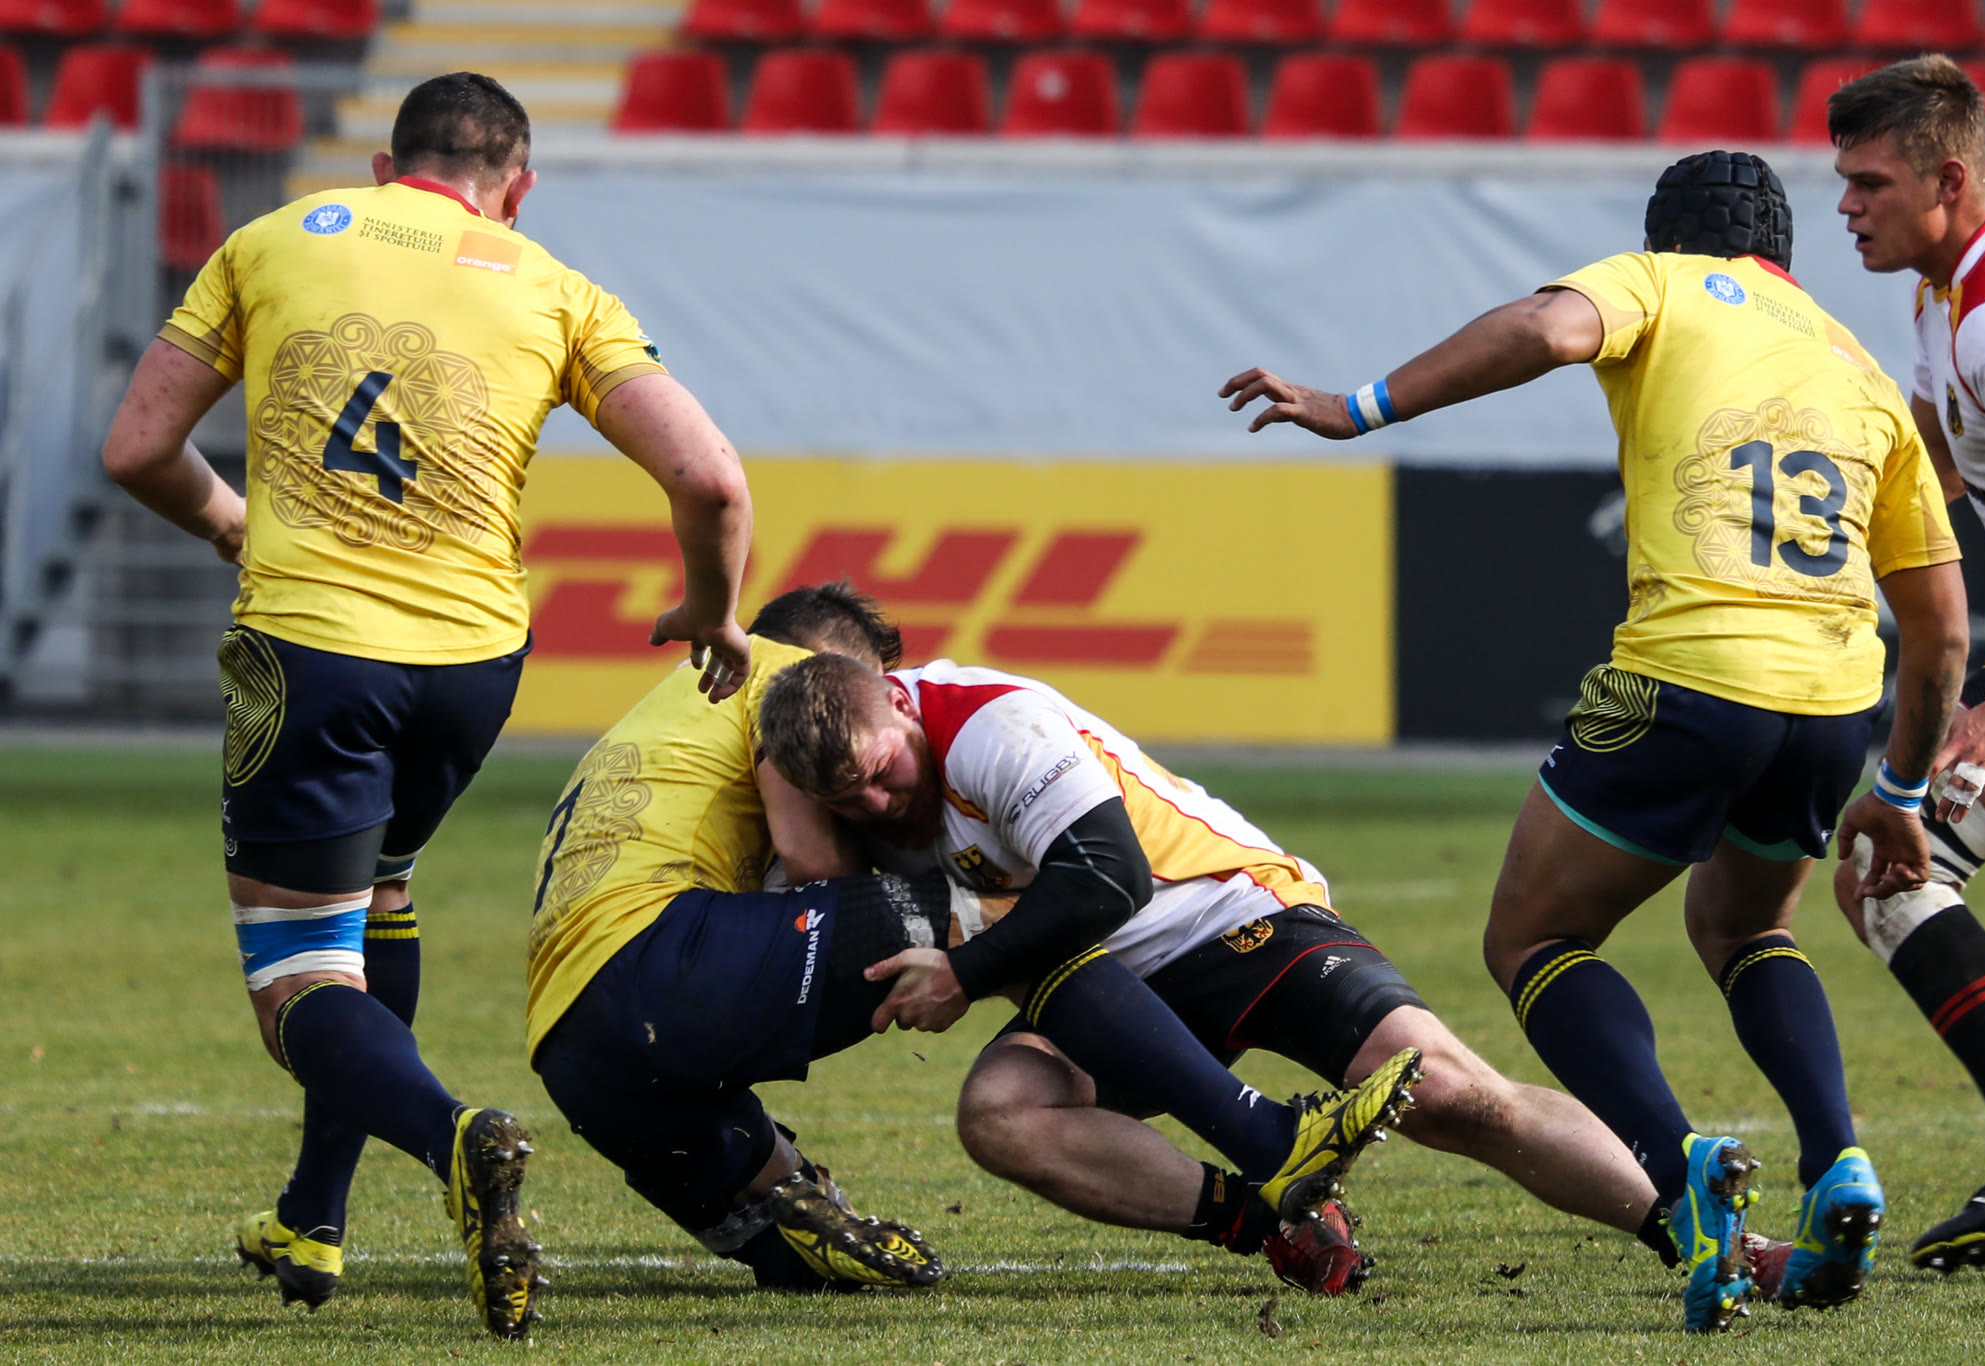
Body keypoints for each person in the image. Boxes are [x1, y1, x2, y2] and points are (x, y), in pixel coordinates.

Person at [1219, 150, 1985, 1330]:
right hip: (1832, 699)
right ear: (1780, 251)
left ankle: (1680, 1163)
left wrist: (1355, 406)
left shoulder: (1660, 281)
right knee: (1745, 926)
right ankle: (1837, 1154)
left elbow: (1545, 326)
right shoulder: (1860, 369)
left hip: (1686, 674)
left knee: (1533, 936)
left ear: (1664, 236)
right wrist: (1896, 786)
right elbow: (1940, 628)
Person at [98, 72, 752, 1338]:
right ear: (517, 185)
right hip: (470, 667)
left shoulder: (270, 240)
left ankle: (456, 1135)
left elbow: (135, 447)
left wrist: (230, 521)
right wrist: (714, 611)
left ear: (387, 166)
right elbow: (712, 480)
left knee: (297, 976)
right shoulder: (558, 288)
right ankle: (314, 1214)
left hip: (312, 652)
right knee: (379, 890)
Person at [528, 582, 1421, 1294]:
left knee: (779, 1233)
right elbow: (816, 865)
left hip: (567, 1039)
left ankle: (1271, 1224)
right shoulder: (780, 685)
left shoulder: (665, 709)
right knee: (1008, 919)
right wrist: (952, 953)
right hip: (662, 952)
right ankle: (1267, 1138)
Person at [755, 652, 1681, 1299]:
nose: (878, 801)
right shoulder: (832, 794)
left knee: (1454, 1097)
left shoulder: (992, 726)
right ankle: (1274, 1219)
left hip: (1235, 915)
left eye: (882, 771)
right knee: (1001, 1112)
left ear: (898, 699)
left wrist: (962, 972)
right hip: (1107, 987)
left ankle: (1689, 1231)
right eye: (848, 798)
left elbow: (1106, 879)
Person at [1827, 54, 1985, 1272]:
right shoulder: (1946, 293)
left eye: (1867, 183)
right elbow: (1944, 463)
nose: (1844, 206)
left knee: (1888, 863)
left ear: (1947, 179)